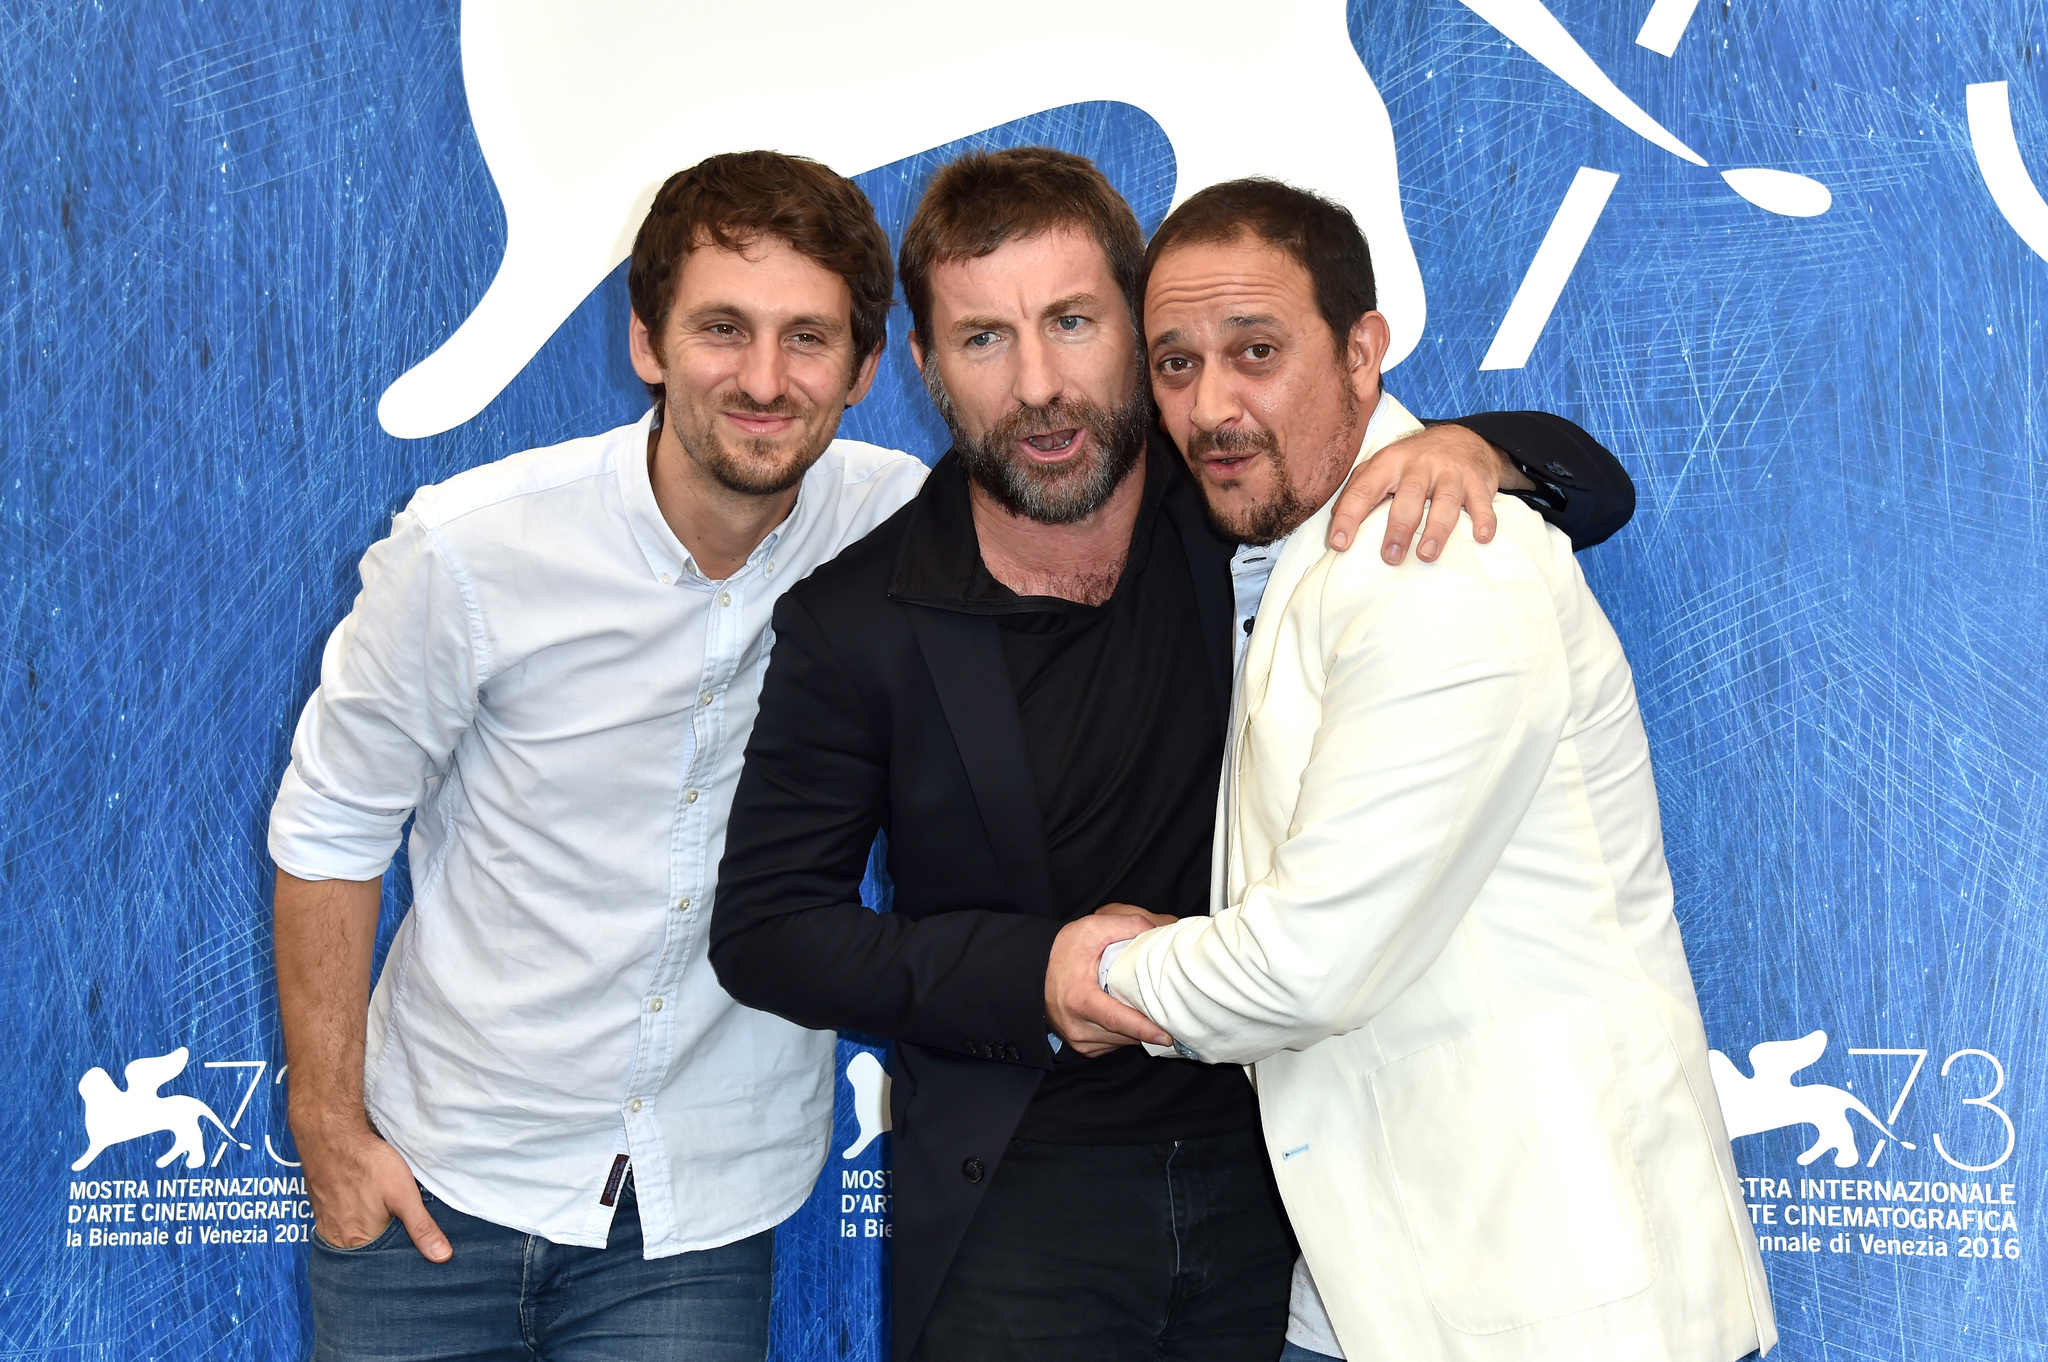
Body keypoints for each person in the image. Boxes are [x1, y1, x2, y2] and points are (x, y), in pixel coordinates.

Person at [266, 148, 1531, 1361]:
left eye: (807, 338)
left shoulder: (1166, 509)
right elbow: (344, 825)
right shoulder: (513, 555)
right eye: (984, 338)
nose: (764, 380)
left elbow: (1336, 440)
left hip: (1188, 1178)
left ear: (866, 367)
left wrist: (1491, 453)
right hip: (487, 1175)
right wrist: (328, 1123)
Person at [709, 147, 1639, 1362]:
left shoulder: (1241, 504)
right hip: (1019, 1193)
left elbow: (1591, 488)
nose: (1039, 385)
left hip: (1290, 1172)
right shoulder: (855, 621)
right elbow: (768, 929)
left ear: (1139, 335)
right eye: (984, 340)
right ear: (927, 368)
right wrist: (1030, 973)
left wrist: (1478, 449)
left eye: (1074, 322)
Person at [1084, 179, 1777, 1362]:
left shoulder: (1435, 555)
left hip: (1547, 1301)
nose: (1211, 406)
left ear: (1362, 353)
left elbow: (1307, 965)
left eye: (1255, 351)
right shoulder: (1295, 539)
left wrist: (1093, 971)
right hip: (1374, 1285)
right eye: (1175, 364)